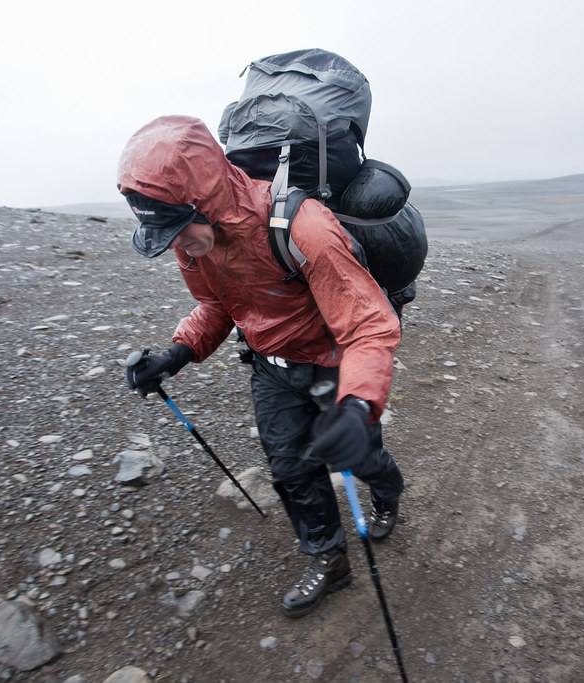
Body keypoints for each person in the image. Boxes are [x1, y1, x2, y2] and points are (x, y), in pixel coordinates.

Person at [117, 115, 406, 618]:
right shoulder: (194, 244)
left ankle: (386, 491)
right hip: (271, 369)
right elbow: (217, 306)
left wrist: (358, 405)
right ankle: (328, 558)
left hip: (333, 364)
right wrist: (175, 354)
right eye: (164, 234)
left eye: (178, 230)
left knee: (358, 455)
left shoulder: (303, 225)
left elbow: (367, 325)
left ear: (203, 200)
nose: (177, 246)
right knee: (291, 469)